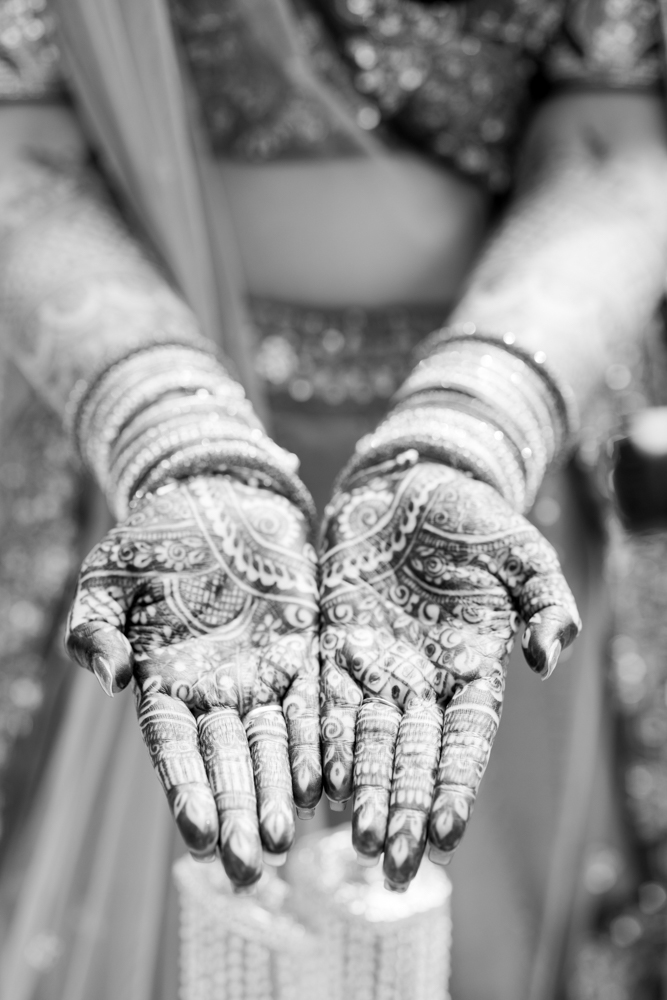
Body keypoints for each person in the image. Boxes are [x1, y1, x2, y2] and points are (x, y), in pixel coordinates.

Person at [0, 1, 667, 998]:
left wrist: (468, 429)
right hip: (126, 435)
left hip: (509, 446)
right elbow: (21, 140)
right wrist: (170, 433)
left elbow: (610, 134)